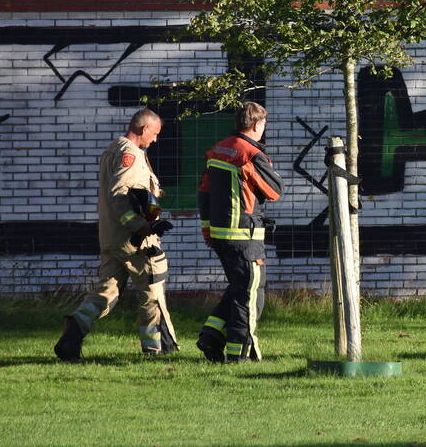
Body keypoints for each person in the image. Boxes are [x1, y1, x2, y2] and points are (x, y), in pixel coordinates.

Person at [54, 108, 179, 360]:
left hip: (111, 239)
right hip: (133, 242)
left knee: (106, 292)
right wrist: (142, 227)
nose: (155, 140)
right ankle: (159, 349)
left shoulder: (112, 149)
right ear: (144, 129)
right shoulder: (129, 153)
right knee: (152, 292)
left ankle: (72, 336)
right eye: (154, 134)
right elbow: (120, 195)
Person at [195, 101, 283, 363]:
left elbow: (203, 193)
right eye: (264, 124)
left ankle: (211, 336)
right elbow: (275, 191)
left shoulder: (218, 150)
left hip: (221, 235)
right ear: (256, 125)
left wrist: (207, 229)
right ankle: (241, 354)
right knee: (251, 295)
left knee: (238, 288)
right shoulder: (249, 154)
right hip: (245, 237)